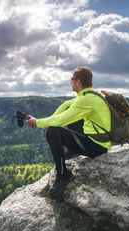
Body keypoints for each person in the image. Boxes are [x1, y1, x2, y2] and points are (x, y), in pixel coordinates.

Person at [26, 67, 111, 198]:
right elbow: (66, 105)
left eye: (72, 79)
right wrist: (49, 120)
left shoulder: (85, 100)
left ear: (78, 82)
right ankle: (73, 152)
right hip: (98, 140)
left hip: (97, 147)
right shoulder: (91, 95)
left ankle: (63, 174)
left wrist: (38, 122)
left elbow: (61, 120)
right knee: (69, 112)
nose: (70, 82)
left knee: (53, 131)